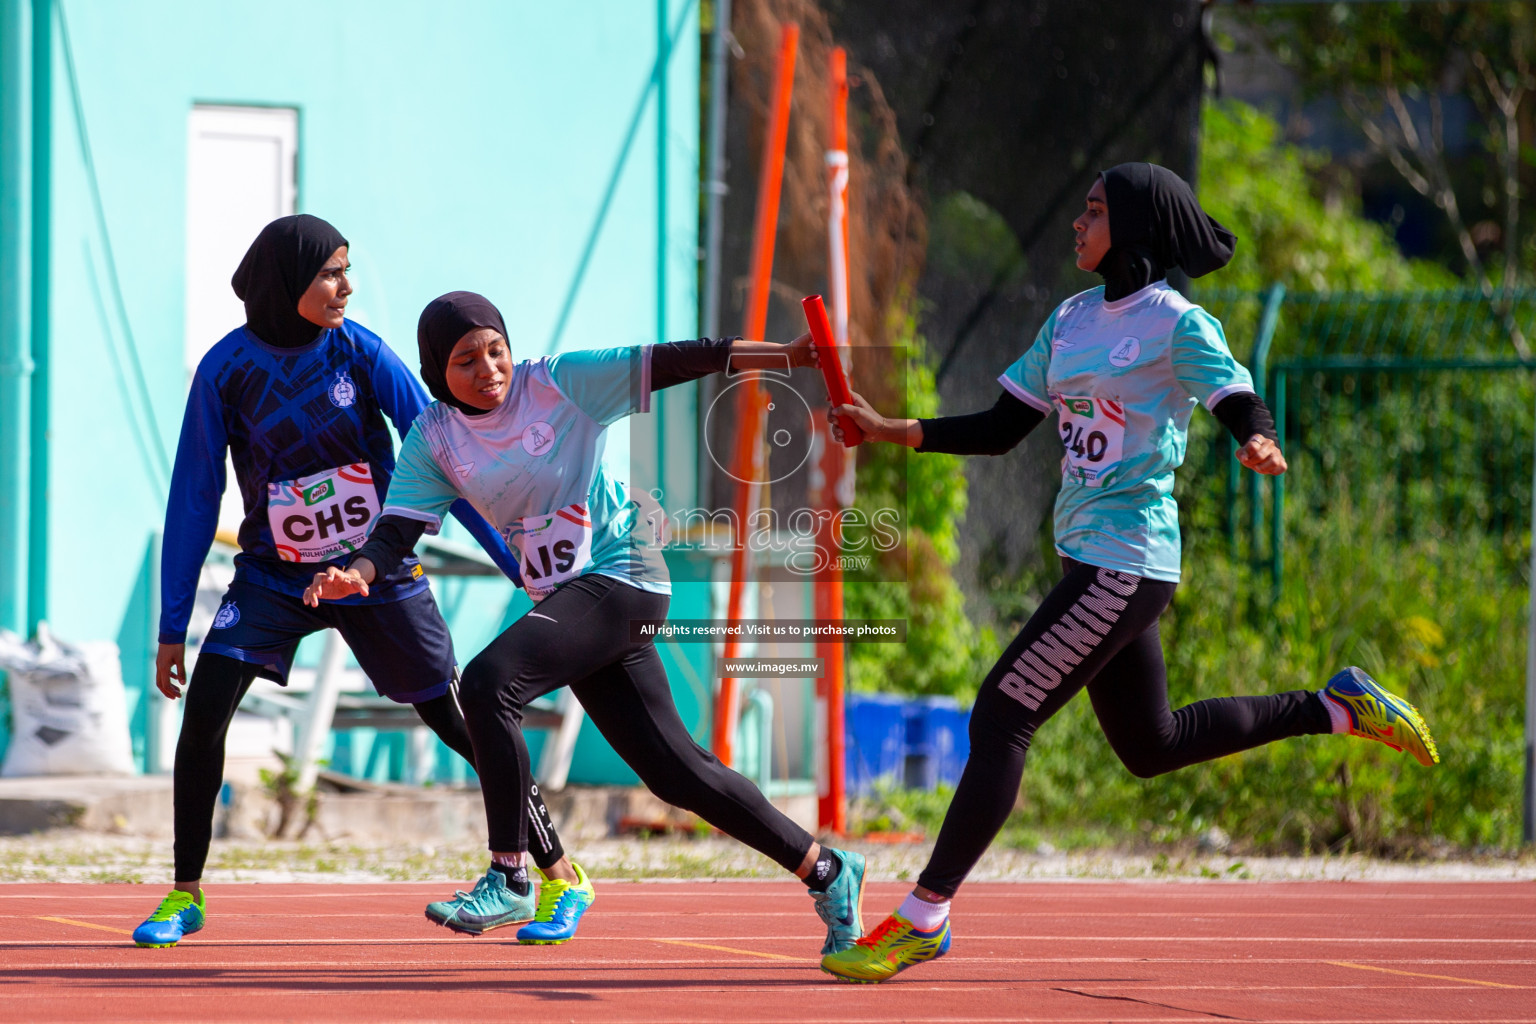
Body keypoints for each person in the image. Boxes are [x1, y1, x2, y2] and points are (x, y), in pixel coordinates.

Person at [817, 163, 1441, 984]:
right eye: (1080, 208)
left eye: (1095, 210)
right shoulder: (1072, 319)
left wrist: (1255, 437)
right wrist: (886, 429)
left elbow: (1232, 396)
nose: (1078, 223)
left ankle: (924, 916)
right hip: (1093, 558)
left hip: (1127, 562)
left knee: (1003, 712)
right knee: (1153, 744)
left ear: (1136, 227)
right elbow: (1005, 426)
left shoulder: (1175, 323)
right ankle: (1337, 707)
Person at [303, 290, 868, 955]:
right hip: (569, 601)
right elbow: (394, 533)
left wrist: (784, 355)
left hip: (622, 576)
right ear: (436, 373)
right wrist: (357, 573)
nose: (488, 369)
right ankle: (829, 871)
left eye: (495, 350)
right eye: (465, 360)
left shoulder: (560, 383)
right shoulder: (434, 437)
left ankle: (511, 874)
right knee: (676, 773)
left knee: (487, 684)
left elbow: (674, 360)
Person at [134, 217, 585, 949]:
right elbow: (193, 495)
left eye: (348, 270)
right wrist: (171, 626)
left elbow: (449, 457)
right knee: (206, 713)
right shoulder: (225, 369)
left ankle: (562, 875)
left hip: (375, 570)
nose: (347, 286)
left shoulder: (362, 351)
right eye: (331, 274)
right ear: (288, 282)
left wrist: (521, 566)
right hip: (274, 577)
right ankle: (184, 895)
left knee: (459, 723)